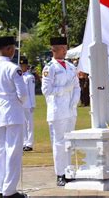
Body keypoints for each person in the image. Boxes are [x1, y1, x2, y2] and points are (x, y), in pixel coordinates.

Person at [0, 36, 28, 197]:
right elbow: (22, 94)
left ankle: (1, 188)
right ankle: (10, 190)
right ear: (9, 49)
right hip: (12, 111)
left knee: (0, 150)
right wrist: (17, 102)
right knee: (13, 150)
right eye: (13, 48)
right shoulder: (12, 68)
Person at [41, 36, 80, 186]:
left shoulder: (70, 67)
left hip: (70, 109)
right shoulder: (49, 68)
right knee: (58, 143)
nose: (65, 51)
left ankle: (69, 170)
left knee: (69, 142)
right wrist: (65, 89)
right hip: (57, 111)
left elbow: (76, 86)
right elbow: (46, 90)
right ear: (54, 50)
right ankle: (60, 173)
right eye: (62, 48)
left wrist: (74, 101)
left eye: (65, 48)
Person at [20, 57, 35, 152]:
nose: (22, 67)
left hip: (28, 103)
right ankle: (24, 142)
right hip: (21, 104)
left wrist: (32, 104)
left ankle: (29, 143)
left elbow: (31, 92)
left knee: (29, 124)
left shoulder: (30, 77)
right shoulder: (19, 76)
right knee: (23, 124)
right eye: (20, 65)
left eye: (23, 65)